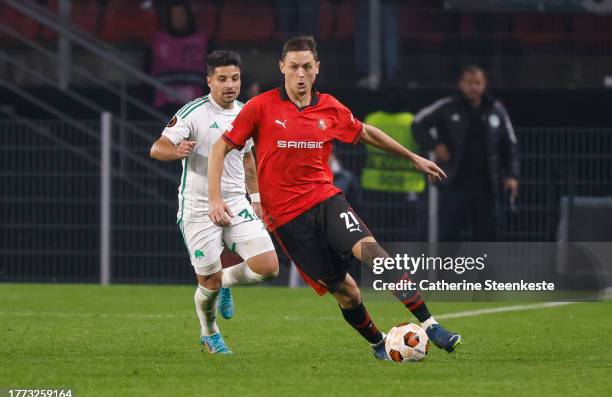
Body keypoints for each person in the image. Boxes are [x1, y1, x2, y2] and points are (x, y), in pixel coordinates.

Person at [207, 36, 462, 360]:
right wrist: (216, 199)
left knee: (375, 254)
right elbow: (221, 147)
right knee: (347, 292)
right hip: (288, 219)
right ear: (282, 67)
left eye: (307, 67)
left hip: (326, 200)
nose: (301, 74)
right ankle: (377, 344)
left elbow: (366, 132)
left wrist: (413, 157)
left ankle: (430, 323)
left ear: (317, 69)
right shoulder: (261, 107)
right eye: (295, 67)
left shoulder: (329, 107)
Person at [149, 51, 279, 354]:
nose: (229, 85)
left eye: (234, 78)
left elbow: (248, 158)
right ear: (209, 81)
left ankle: (227, 283)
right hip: (198, 207)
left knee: (268, 268)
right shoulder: (193, 112)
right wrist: (176, 151)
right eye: (222, 79)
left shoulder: (246, 112)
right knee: (207, 283)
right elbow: (158, 148)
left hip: (235, 201)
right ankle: (209, 332)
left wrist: (257, 199)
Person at [412, 65, 520, 242]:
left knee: (487, 234)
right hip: (454, 182)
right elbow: (417, 123)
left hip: (487, 184)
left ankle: (482, 269)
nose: (473, 87)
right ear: (461, 84)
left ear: (484, 85)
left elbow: (510, 144)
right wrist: (434, 145)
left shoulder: (496, 109)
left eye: (478, 83)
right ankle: (446, 270)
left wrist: (512, 175)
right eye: (469, 83)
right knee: (448, 234)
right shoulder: (447, 106)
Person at [150, 0, 208, 115]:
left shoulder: (203, 41)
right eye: (174, 14)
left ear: (188, 16)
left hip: (195, 104)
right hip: (165, 105)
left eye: (182, 14)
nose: (178, 18)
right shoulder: (157, 41)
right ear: (169, 17)